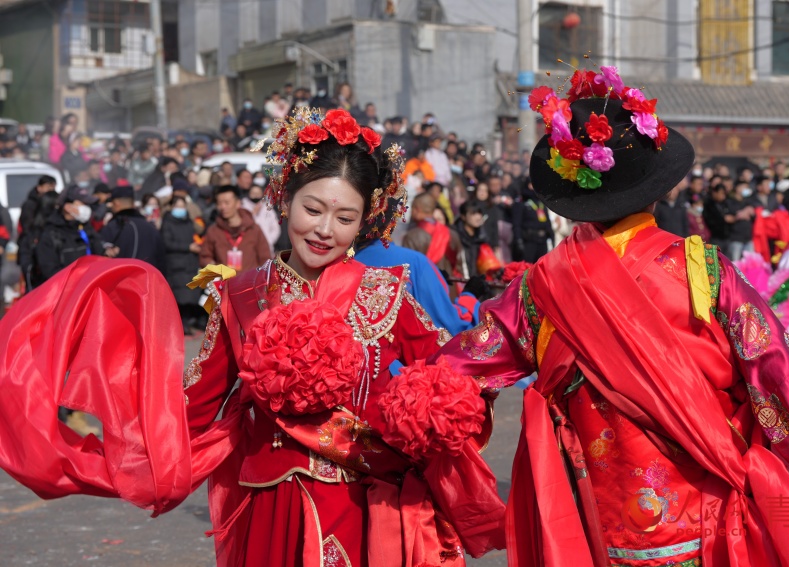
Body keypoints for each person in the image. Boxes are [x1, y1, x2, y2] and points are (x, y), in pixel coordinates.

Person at [0, 107, 505, 567]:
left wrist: (443, 405)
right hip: (276, 507)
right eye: (313, 209)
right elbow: (194, 412)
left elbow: (450, 372)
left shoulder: (388, 290)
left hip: (371, 506)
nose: (325, 229)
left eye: (345, 218)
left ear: (365, 221)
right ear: (284, 198)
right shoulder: (241, 297)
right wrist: (128, 423)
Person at [430, 67, 789, 566]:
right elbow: (785, 379)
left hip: (598, 521)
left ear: (573, 200)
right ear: (658, 190)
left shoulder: (539, 288)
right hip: (705, 512)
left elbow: (452, 378)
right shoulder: (704, 270)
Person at [33, 188, 103, 288]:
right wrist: (78, 278)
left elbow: (98, 255)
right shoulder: (51, 234)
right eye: (83, 204)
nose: (87, 208)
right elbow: (50, 271)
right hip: (65, 294)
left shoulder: (86, 228)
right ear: (68, 207)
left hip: (88, 289)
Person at [199, 185, 270, 272]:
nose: (223, 207)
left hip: (250, 283)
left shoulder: (253, 229)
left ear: (238, 203)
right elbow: (205, 256)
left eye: (227, 202)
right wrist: (213, 268)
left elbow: (265, 258)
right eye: (219, 203)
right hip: (224, 283)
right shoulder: (214, 231)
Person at [161, 195, 202, 335]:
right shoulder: (167, 222)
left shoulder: (189, 222)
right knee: (179, 297)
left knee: (190, 296)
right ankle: (180, 324)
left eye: (183, 206)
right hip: (176, 263)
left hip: (190, 263)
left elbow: (197, 233)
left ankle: (186, 322)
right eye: (177, 206)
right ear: (172, 207)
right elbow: (167, 243)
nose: (181, 209)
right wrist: (187, 247)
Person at [100, 186, 166, 271]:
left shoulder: (113, 227)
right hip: (148, 279)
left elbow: (103, 261)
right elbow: (161, 261)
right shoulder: (151, 227)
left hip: (122, 280)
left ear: (116, 203)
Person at [241, 183, 281, 254]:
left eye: (258, 193)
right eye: (253, 193)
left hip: (267, 247)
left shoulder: (268, 209)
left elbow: (275, 228)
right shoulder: (243, 208)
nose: (255, 195)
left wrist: (268, 240)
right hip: (248, 247)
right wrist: (253, 214)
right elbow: (242, 226)